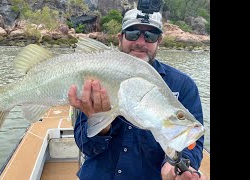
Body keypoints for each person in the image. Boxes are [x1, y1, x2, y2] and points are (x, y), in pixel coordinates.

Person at [68, 8, 206, 180]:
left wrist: (178, 165)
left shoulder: (183, 85)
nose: (141, 42)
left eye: (151, 36)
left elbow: (192, 144)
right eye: (133, 33)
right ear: (120, 38)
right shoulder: (95, 75)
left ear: (159, 41)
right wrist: (102, 127)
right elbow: (86, 147)